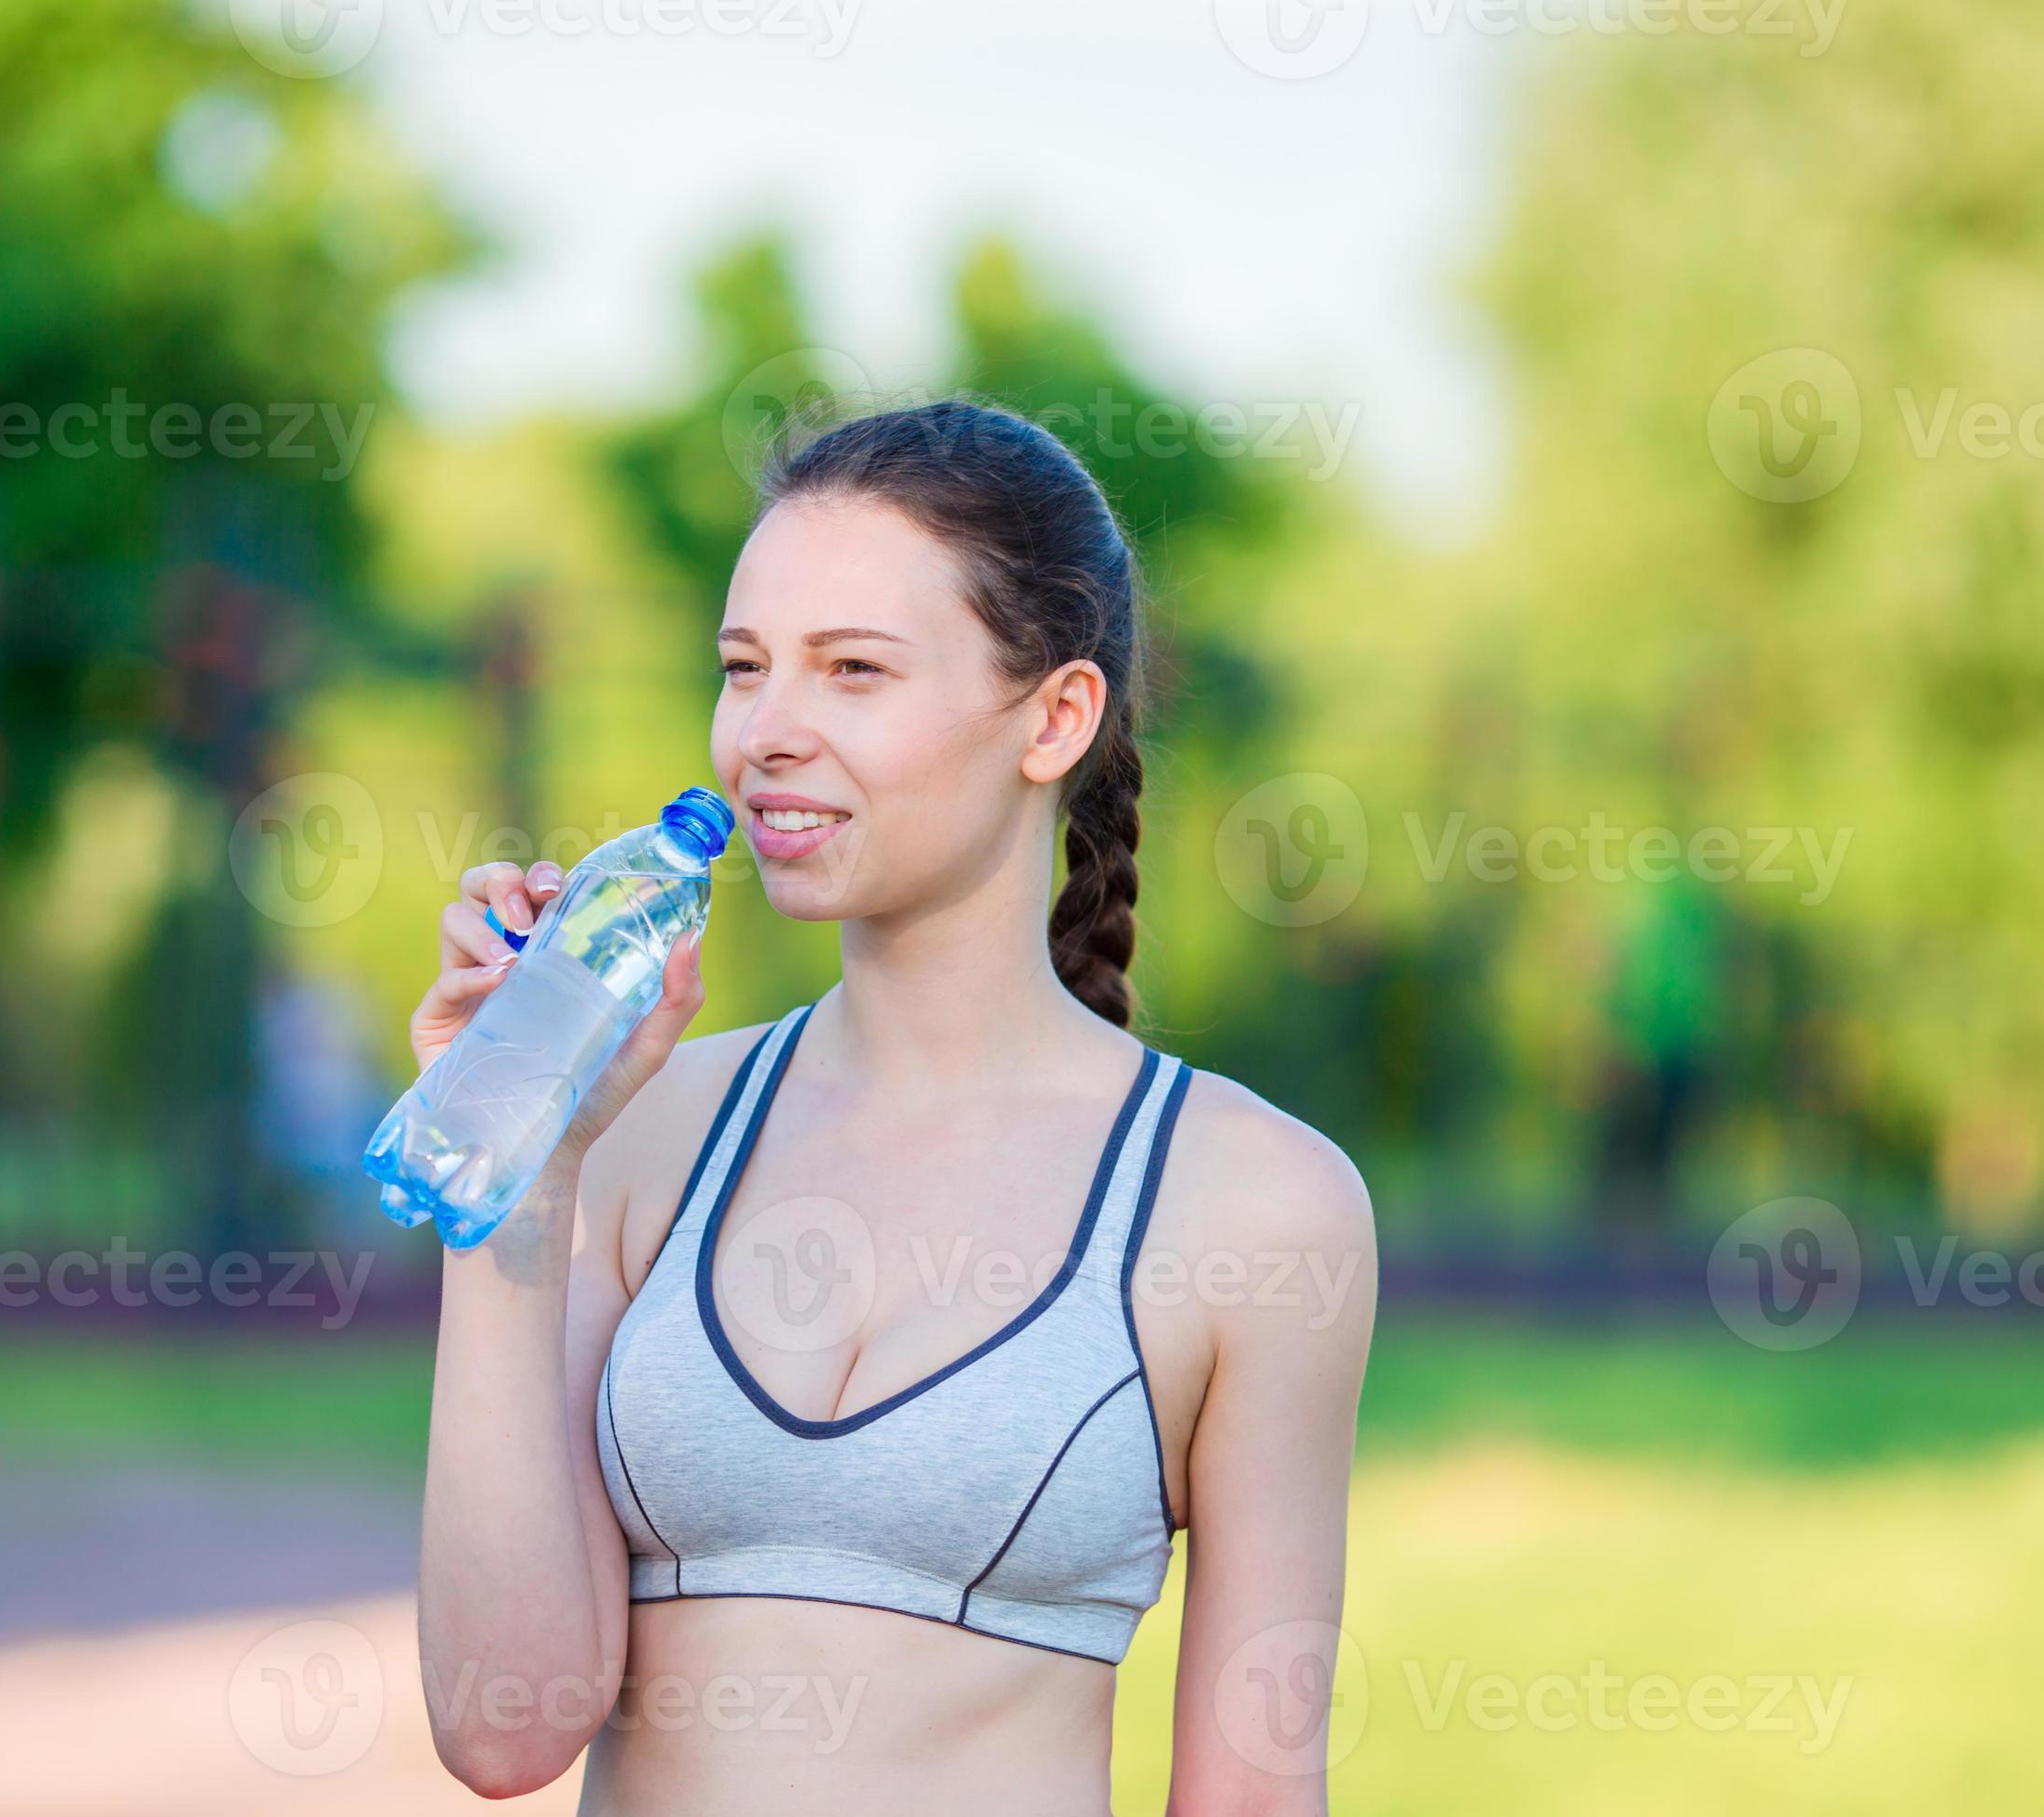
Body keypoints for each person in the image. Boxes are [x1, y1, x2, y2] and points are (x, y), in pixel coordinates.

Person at [411, 400, 1376, 1814]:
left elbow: (1251, 1797)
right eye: (746, 670)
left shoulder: (1253, 1204)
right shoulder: (641, 1126)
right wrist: (513, 1153)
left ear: (1056, 717)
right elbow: (502, 1733)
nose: (769, 733)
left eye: (854, 670)